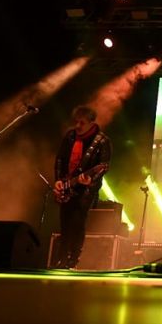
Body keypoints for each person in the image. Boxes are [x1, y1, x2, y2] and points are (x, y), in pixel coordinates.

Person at [52, 105, 111, 269]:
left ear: (91, 123)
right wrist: (58, 180)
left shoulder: (102, 141)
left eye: (82, 122)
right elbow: (60, 159)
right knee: (64, 223)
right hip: (67, 184)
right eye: (76, 122)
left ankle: (73, 258)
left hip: (86, 189)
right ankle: (61, 259)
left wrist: (91, 180)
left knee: (78, 222)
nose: (78, 125)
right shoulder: (70, 136)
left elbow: (104, 165)